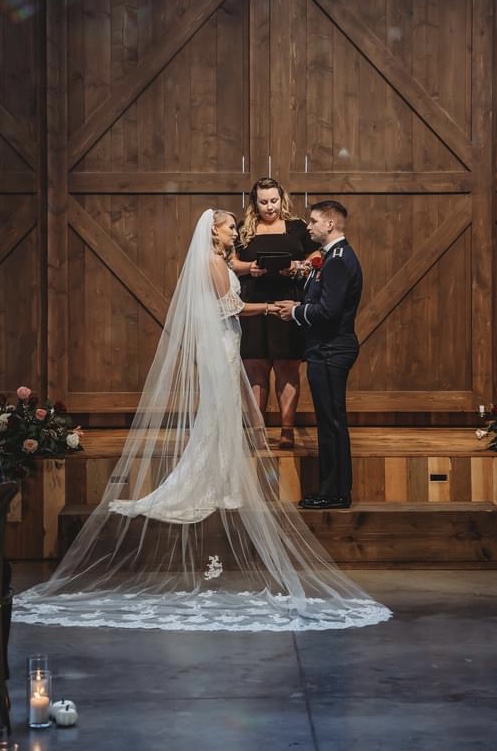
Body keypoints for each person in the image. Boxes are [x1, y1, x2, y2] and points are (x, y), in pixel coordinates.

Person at [13, 209, 390, 632]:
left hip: (232, 342)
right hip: (225, 342)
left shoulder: (225, 261)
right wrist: (270, 307)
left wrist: (289, 291)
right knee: (218, 413)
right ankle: (212, 482)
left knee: (225, 413)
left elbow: (244, 285)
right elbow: (229, 303)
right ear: (215, 232)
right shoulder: (213, 263)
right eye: (231, 227)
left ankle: (224, 481)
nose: (236, 232)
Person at [277, 201, 362, 510]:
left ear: (329, 224)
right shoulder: (329, 257)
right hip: (324, 348)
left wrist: (295, 311)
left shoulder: (338, 259)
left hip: (330, 349)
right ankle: (333, 488)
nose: (308, 226)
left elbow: (328, 311)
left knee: (331, 423)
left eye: (313, 221)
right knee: (329, 420)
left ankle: (335, 492)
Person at [231, 177, 319, 449]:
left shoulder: (297, 227)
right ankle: (258, 432)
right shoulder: (244, 229)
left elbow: (318, 257)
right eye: (263, 202)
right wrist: (250, 269)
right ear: (254, 203)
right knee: (255, 366)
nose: (269, 207)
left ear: (282, 199)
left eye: (274, 200)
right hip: (253, 302)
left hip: (288, 301)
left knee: (287, 365)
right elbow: (231, 261)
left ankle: (287, 430)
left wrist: (298, 267)